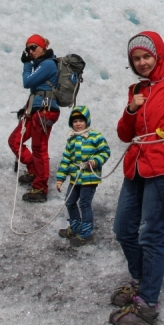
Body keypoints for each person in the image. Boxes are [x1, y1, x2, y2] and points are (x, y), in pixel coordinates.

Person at [109, 31, 164, 325]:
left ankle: (147, 301)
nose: (142, 62)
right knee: (123, 228)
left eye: (146, 56)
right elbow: (124, 134)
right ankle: (141, 279)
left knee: (151, 232)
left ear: (158, 54)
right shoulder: (136, 89)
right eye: (136, 59)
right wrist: (130, 108)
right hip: (136, 164)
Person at [7, 34, 60, 203]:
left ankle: (40, 187)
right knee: (15, 140)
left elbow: (27, 82)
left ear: (43, 47)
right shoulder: (39, 64)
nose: (30, 51)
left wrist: (26, 65)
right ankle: (33, 170)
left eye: (33, 47)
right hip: (35, 109)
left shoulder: (48, 64)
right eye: (28, 48)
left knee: (39, 148)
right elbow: (36, 90)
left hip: (45, 111)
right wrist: (26, 108)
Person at [55, 105, 111, 247]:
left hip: (89, 178)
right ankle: (75, 227)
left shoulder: (95, 136)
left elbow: (105, 151)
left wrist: (94, 162)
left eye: (81, 120)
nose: (78, 124)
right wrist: (60, 178)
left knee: (84, 204)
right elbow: (66, 159)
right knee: (70, 201)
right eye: (75, 121)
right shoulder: (71, 139)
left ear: (87, 121)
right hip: (75, 178)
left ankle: (86, 233)